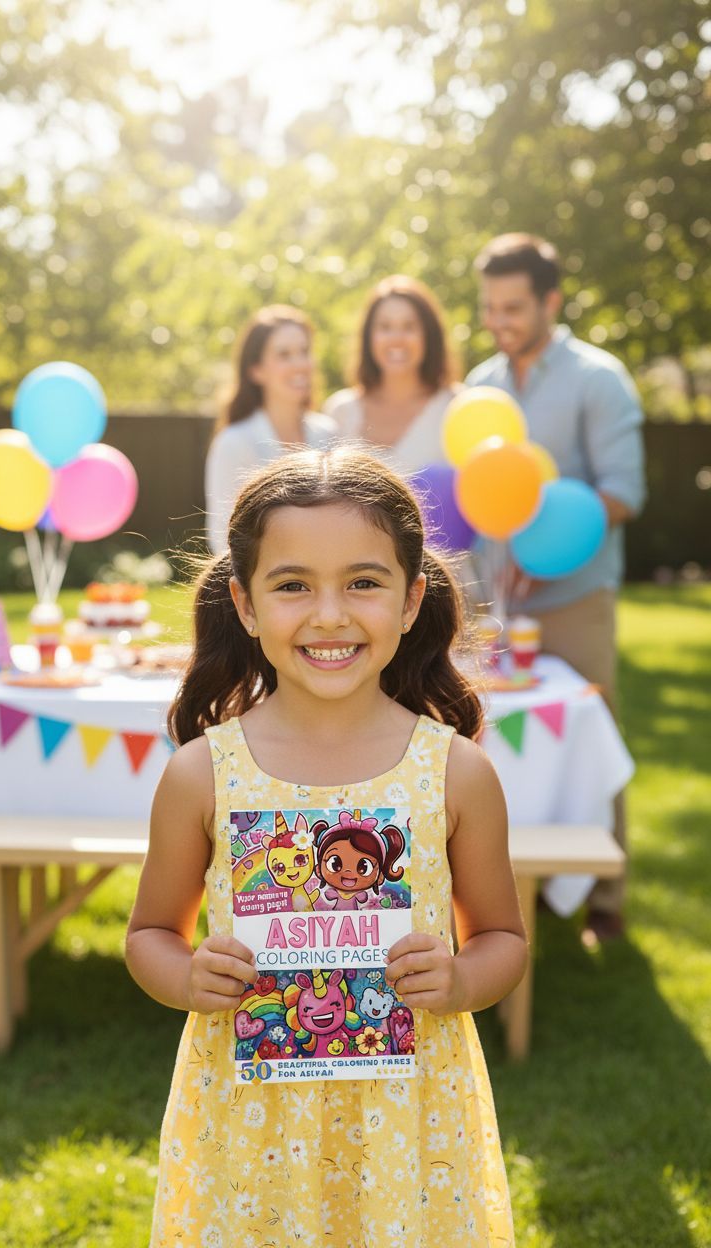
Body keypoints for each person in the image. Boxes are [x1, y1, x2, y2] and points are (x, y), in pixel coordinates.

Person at [126, 445, 527, 1247]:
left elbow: (504, 940)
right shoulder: (203, 773)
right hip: (251, 1130)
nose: (330, 615)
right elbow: (149, 935)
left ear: (412, 600)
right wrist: (187, 976)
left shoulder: (456, 773)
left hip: (409, 1125)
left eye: (363, 582)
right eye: (293, 585)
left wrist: (458, 979)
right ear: (245, 604)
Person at [466, 232, 646, 944]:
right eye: (490, 308)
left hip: (574, 599)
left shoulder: (598, 379)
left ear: (551, 301)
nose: (499, 321)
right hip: (495, 602)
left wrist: (545, 550)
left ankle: (606, 899)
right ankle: (521, 886)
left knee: (590, 731)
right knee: (505, 739)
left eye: (512, 308)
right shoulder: (480, 386)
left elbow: (624, 493)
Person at [204, 304, 336, 554]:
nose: (300, 364)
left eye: (304, 351)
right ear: (256, 370)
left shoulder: (328, 433)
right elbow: (222, 539)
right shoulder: (234, 443)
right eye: (284, 355)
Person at [324, 274, 459, 474]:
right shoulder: (340, 412)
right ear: (369, 337)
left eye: (409, 327)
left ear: (428, 336)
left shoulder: (456, 406)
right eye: (385, 327)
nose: (396, 338)